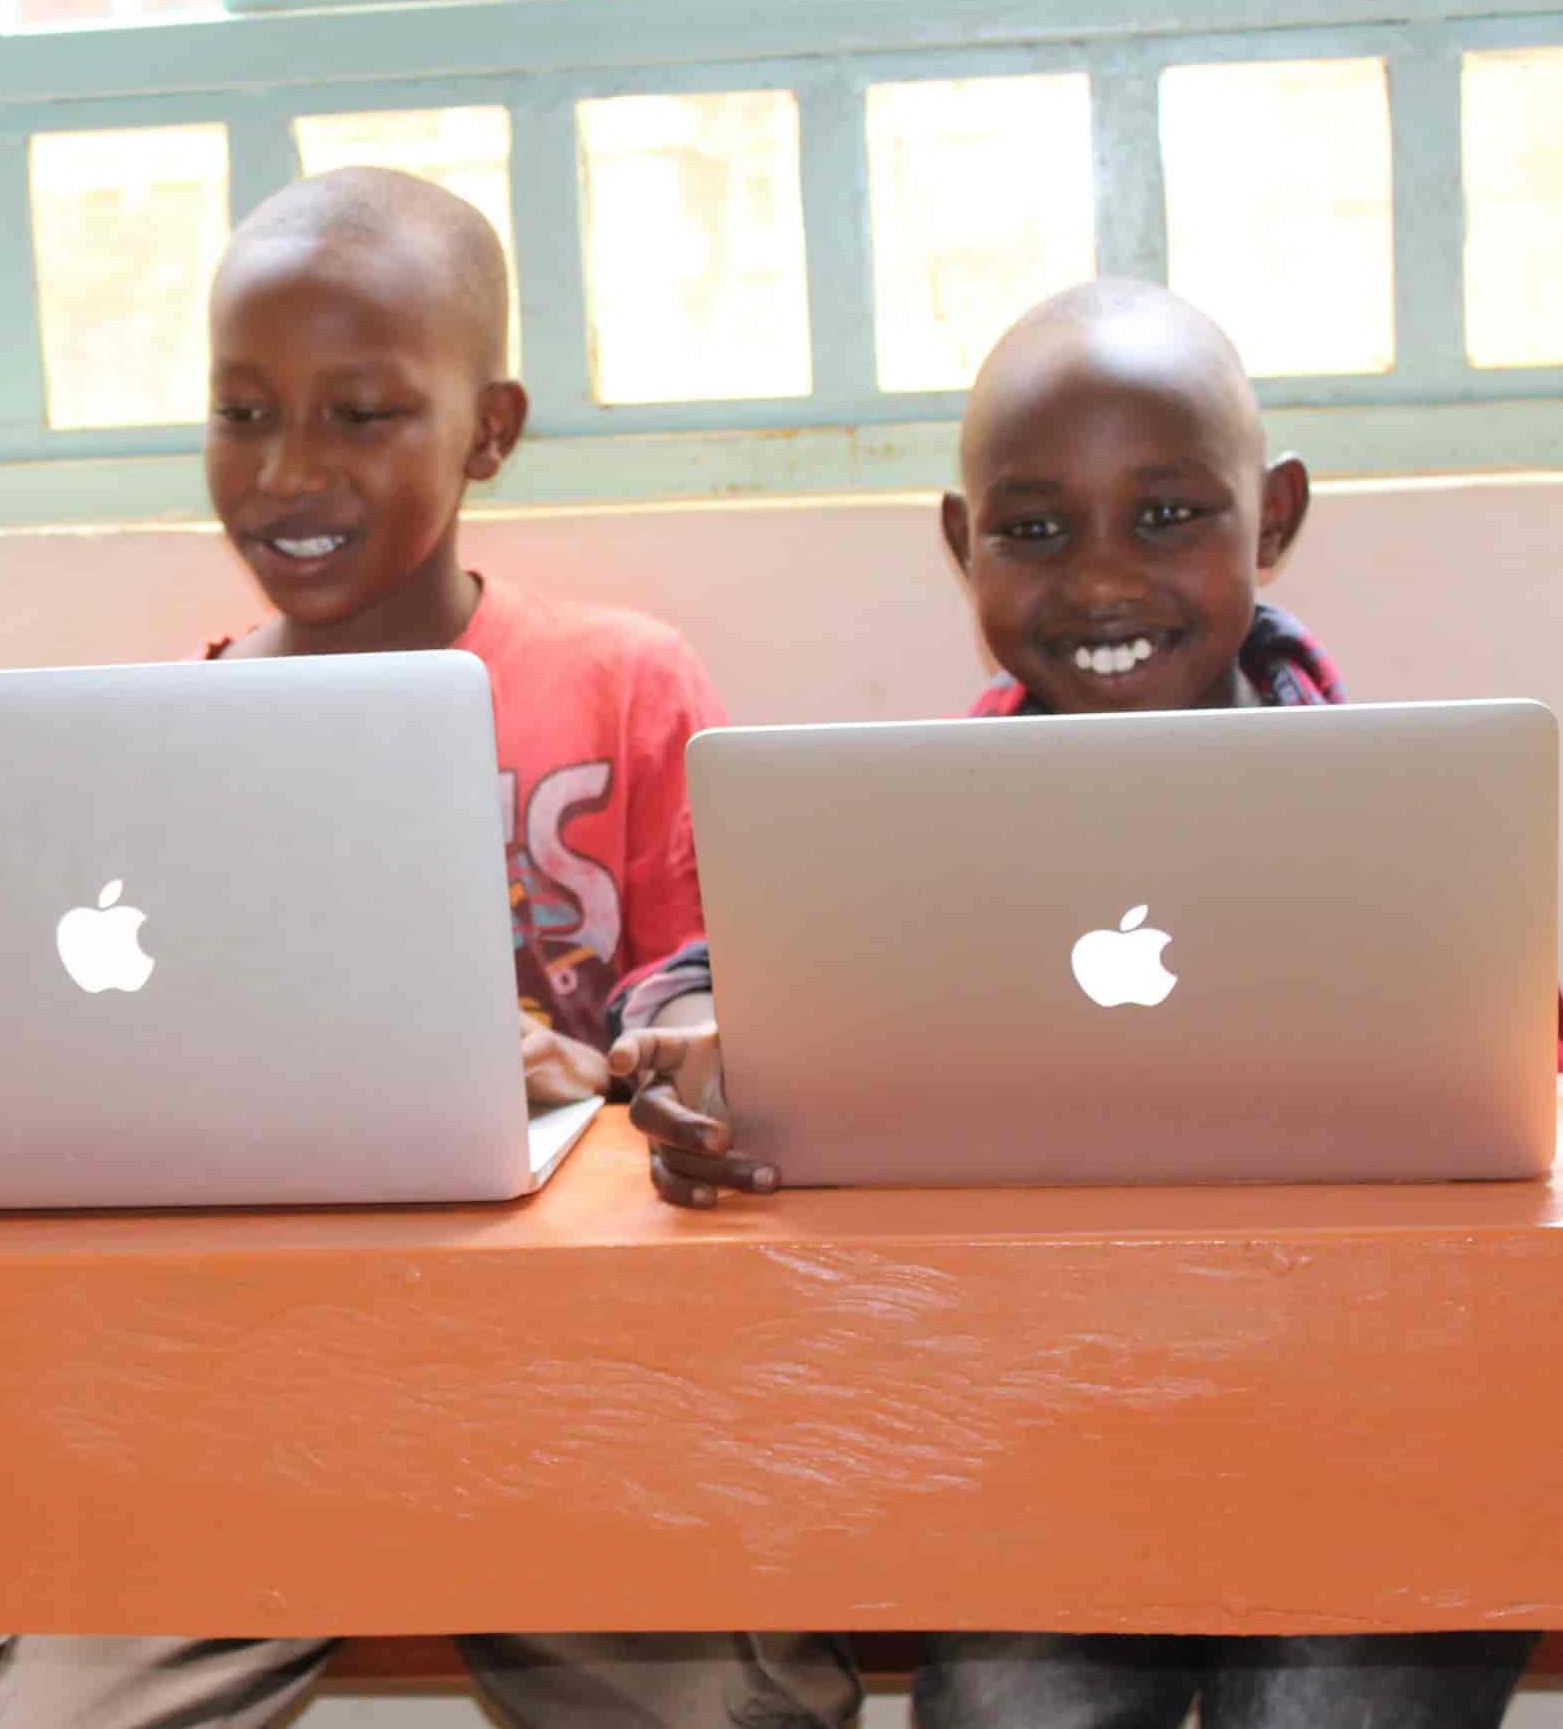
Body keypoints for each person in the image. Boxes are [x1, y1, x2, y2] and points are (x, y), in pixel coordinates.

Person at [0, 167, 860, 1729]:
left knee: (717, 1710)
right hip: (257, 1381)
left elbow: (720, 1039)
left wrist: (602, 1077)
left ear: (487, 428)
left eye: (361, 415)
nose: (289, 470)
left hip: (589, 1388)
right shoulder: (166, 735)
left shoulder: (623, 685)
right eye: (241, 412)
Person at [613, 278, 1542, 1726]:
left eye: (1166, 513)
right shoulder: (895, 834)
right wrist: (682, 1061)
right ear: (956, 542)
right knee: (1005, 1707)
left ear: (1273, 516)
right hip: (1043, 1440)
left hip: (1385, 1430)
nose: (1101, 579)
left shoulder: (1413, 818)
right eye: (1032, 529)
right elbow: (700, 983)